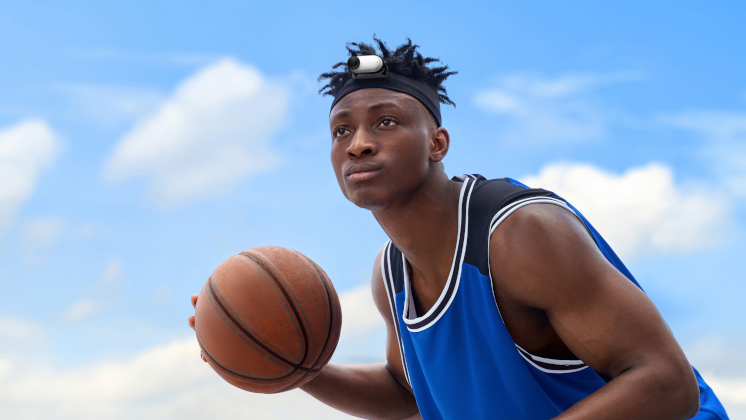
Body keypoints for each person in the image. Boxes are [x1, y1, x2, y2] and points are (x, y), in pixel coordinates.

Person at [190, 37, 729, 419]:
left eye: (386, 121)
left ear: (437, 144)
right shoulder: (391, 274)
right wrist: (293, 366)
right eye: (341, 130)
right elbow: (407, 396)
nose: (357, 143)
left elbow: (666, 384)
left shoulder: (521, 235)